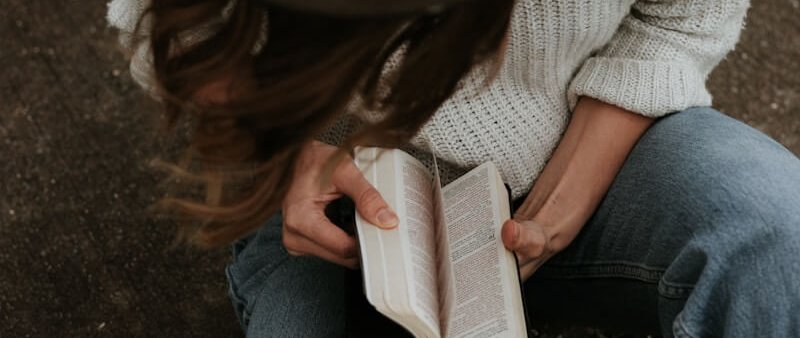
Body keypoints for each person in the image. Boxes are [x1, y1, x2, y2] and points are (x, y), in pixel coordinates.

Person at [107, 0, 800, 336]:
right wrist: (297, 142)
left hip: (583, 136)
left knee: (774, 230)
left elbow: (684, 13)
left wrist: (562, 201)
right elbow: (172, 32)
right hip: (338, 202)